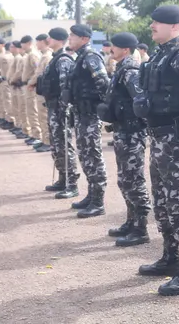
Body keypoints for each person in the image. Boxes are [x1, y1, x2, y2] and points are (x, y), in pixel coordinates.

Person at [133, 4, 179, 297]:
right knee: (161, 201)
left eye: (157, 23)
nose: (152, 26)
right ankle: (170, 257)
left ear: (175, 26)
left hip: (176, 141)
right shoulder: (159, 57)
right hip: (158, 138)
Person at [97, 32, 152, 246]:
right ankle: (131, 221)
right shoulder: (122, 69)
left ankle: (140, 228)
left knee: (133, 180)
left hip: (132, 133)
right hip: (122, 131)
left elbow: (140, 103)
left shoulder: (131, 71)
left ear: (125, 50)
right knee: (124, 179)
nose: (111, 49)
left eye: (115, 47)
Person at [60, 24, 110, 219]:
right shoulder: (79, 58)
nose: (69, 38)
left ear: (84, 39)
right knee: (86, 157)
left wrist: (103, 110)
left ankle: (98, 201)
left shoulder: (91, 57)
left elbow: (104, 84)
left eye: (73, 36)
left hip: (91, 115)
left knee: (93, 157)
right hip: (81, 115)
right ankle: (91, 195)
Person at [35, 28, 79, 197]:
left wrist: (64, 109)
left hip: (60, 110)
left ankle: (71, 183)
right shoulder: (55, 58)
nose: (48, 41)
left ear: (58, 40)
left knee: (64, 145)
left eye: (51, 38)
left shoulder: (63, 60)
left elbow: (64, 87)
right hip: (53, 108)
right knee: (56, 145)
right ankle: (62, 178)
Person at [28, 34, 53, 152]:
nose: (36, 44)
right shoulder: (44, 55)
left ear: (43, 42)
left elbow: (40, 73)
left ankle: (48, 142)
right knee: (41, 116)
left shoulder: (47, 56)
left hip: (43, 90)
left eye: (37, 42)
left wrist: (31, 82)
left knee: (44, 116)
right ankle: (44, 140)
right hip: (40, 89)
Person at [20, 35, 43, 147]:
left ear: (28, 43)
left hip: (31, 86)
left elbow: (37, 70)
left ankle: (37, 135)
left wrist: (32, 83)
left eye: (23, 43)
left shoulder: (33, 55)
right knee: (29, 111)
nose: (22, 46)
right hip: (28, 85)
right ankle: (34, 134)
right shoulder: (29, 55)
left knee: (32, 111)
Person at [9, 41, 30, 139]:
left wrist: (12, 79)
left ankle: (25, 129)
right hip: (17, 85)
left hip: (21, 85)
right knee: (17, 107)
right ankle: (20, 126)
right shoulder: (18, 58)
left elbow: (19, 72)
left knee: (23, 108)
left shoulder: (22, 58)